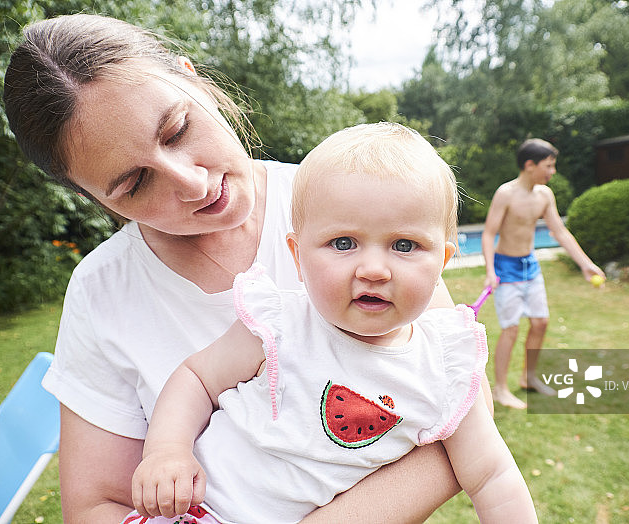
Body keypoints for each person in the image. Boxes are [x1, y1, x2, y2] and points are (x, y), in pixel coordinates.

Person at [2, 14, 492, 523]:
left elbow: (461, 407)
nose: (192, 183)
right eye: (135, 183)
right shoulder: (101, 290)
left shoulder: (353, 204)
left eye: (178, 129)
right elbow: (96, 505)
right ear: (91, 197)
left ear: (194, 80)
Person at [129, 123, 538, 523]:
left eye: (405, 245)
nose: (374, 269)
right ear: (297, 257)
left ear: (442, 263)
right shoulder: (279, 325)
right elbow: (196, 380)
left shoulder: (446, 369)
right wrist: (167, 451)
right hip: (195, 509)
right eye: (343, 243)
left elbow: (492, 476)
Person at [482, 138, 605, 409]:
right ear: (530, 165)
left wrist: (585, 264)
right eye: (548, 165)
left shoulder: (545, 195)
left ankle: (528, 378)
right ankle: (500, 389)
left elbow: (559, 231)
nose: (553, 171)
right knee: (511, 329)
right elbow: (489, 233)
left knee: (540, 323)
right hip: (506, 268)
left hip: (530, 266)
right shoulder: (506, 194)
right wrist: (490, 271)